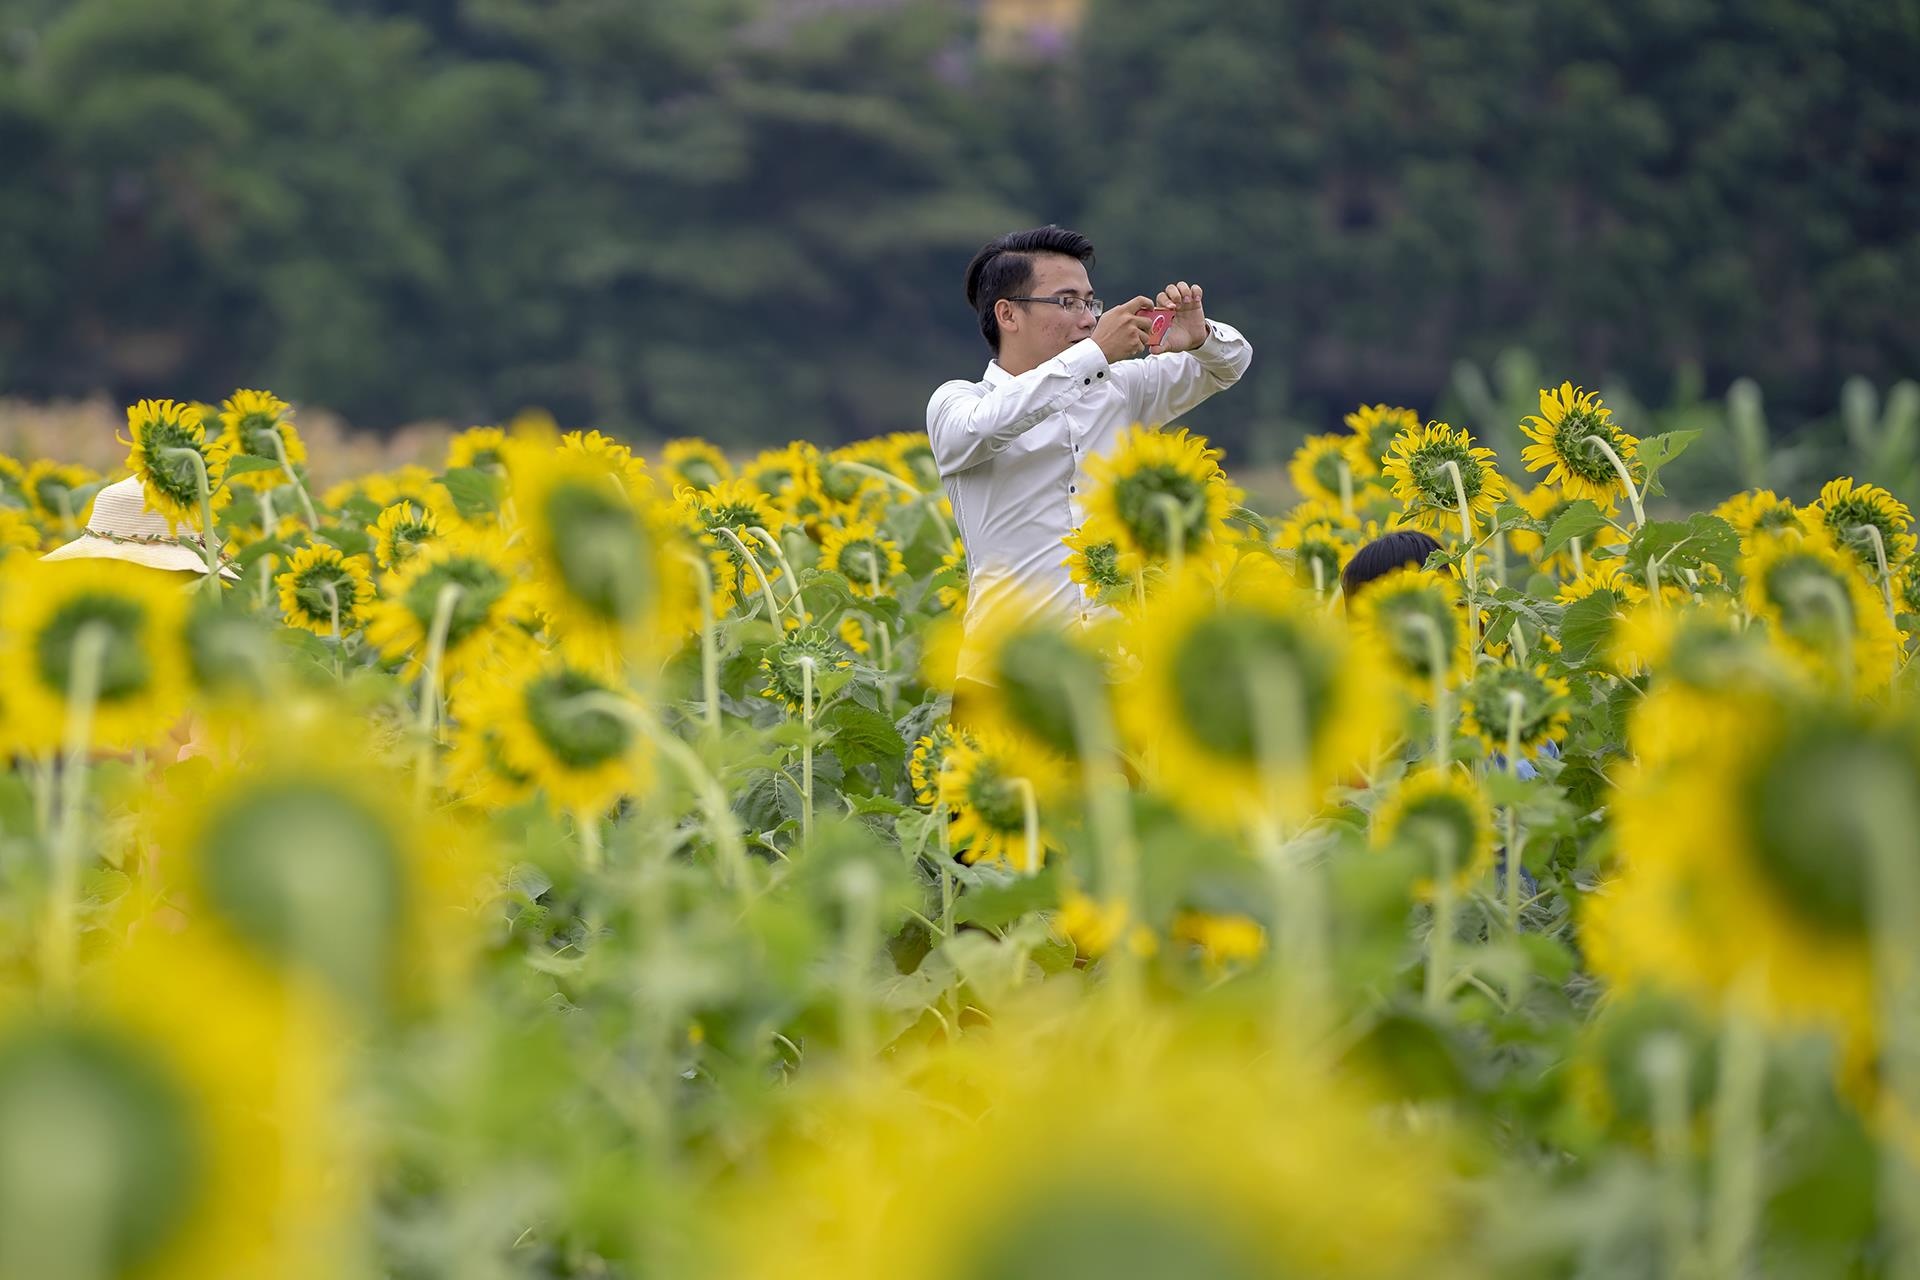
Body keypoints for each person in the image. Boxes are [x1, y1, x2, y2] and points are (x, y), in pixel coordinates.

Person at [927, 226, 1252, 707]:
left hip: (1114, 682)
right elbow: (982, 429)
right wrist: (1093, 354)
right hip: (1002, 683)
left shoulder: (1119, 389)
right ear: (1008, 313)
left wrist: (1199, 337)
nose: (1086, 318)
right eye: (1067, 302)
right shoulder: (959, 401)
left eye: (1090, 302)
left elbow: (1229, 364)